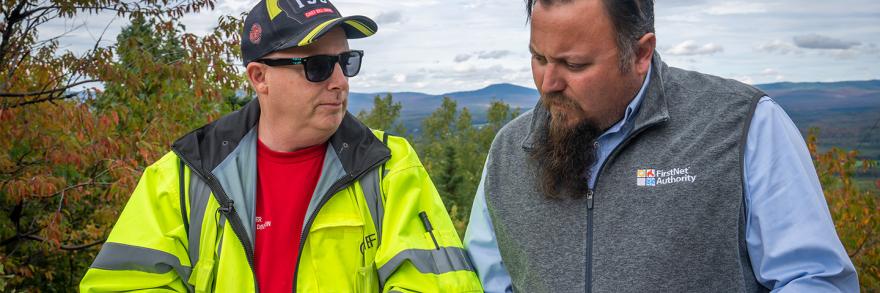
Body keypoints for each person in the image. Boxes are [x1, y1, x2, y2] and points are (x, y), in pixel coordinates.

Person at [80, 0, 482, 292]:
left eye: (347, 61)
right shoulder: (185, 174)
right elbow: (123, 284)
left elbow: (442, 286)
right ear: (259, 77)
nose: (340, 81)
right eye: (318, 66)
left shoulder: (390, 169)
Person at [464, 0, 859, 292]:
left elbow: (815, 278)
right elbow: (485, 281)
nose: (548, 83)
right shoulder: (509, 151)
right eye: (538, 58)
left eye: (574, 65)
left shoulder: (743, 123)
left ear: (639, 53)